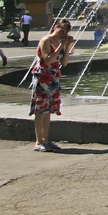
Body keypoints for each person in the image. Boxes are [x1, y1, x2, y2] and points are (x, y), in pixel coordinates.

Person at [30, 19, 74, 152]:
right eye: (61, 30)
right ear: (55, 27)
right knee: (40, 109)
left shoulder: (61, 42)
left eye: (65, 32)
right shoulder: (46, 40)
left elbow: (64, 63)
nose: (62, 34)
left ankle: (46, 139)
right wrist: (61, 46)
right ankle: (38, 141)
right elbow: (47, 59)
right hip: (42, 77)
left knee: (48, 109)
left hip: (53, 78)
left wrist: (67, 46)